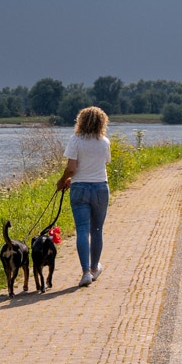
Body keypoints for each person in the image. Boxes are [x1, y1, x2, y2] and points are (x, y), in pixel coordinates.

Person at [58, 105, 112, 287]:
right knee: (97, 230)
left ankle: (85, 272)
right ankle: (95, 267)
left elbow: (72, 168)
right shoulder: (104, 141)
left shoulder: (75, 140)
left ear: (81, 121)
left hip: (79, 188)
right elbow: (101, 164)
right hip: (100, 188)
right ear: (101, 122)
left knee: (82, 230)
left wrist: (63, 180)